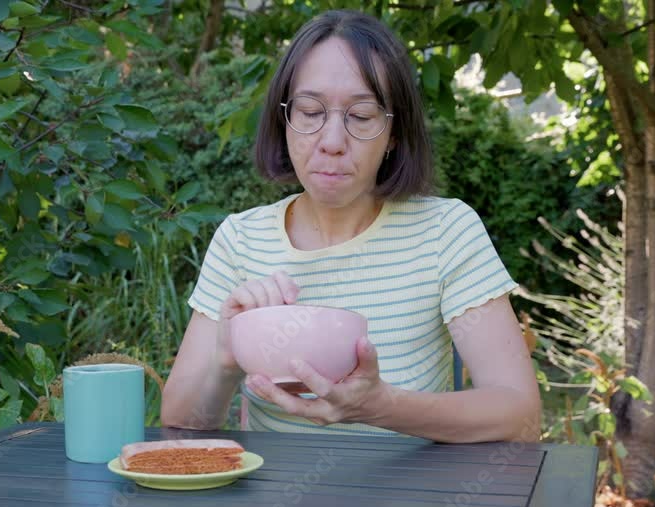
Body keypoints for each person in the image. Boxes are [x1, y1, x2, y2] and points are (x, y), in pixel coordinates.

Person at [160, 9, 541, 443]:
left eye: (361, 117)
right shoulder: (240, 240)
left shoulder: (445, 231)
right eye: (309, 111)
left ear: (393, 133)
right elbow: (180, 420)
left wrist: (382, 407)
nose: (333, 142)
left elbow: (521, 415)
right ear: (284, 119)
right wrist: (226, 359)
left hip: (411, 505)